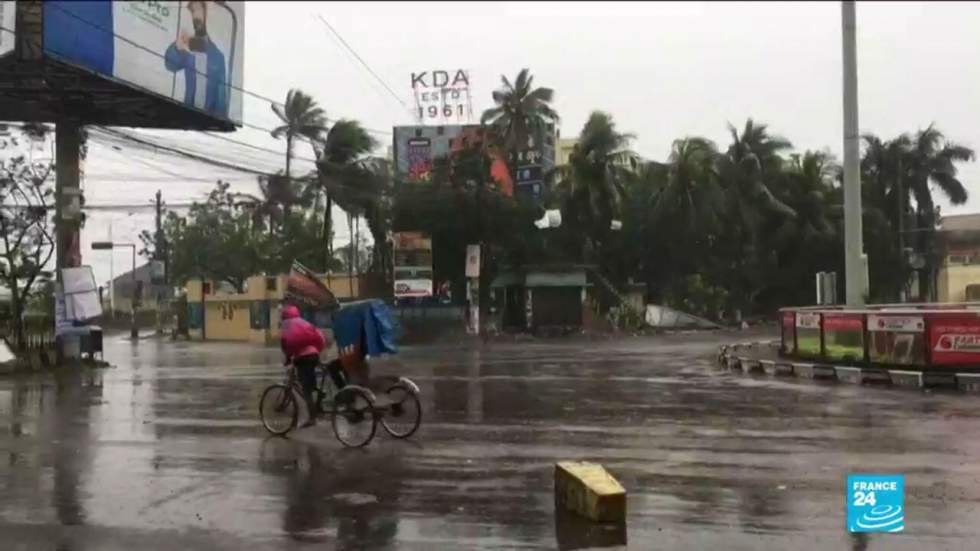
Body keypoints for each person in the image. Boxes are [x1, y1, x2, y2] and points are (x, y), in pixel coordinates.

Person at [164, 1, 229, 118]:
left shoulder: (218, 57)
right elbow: (170, 65)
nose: (196, 16)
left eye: (199, 10)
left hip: (208, 117)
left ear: (205, 14)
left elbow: (221, 98)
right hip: (187, 113)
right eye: (193, 11)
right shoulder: (186, 45)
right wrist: (177, 48)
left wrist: (220, 121)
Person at [280, 304, 326, 427]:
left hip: (303, 358)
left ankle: (312, 418)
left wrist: (288, 358)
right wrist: (318, 351)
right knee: (310, 383)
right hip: (314, 354)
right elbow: (319, 336)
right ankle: (320, 398)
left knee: (306, 390)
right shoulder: (304, 322)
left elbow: (286, 343)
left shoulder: (287, 324)